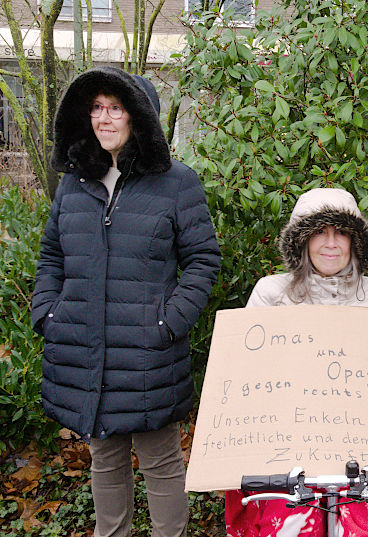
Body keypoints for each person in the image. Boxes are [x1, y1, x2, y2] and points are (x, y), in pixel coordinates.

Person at [32, 67, 221, 537]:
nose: (104, 117)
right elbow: (51, 255)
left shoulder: (177, 183)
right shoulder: (74, 185)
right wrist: (48, 312)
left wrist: (169, 323)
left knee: (160, 463)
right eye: (96, 107)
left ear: (139, 117)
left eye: (115, 107)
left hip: (147, 353)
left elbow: (202, 260)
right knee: (105, 460)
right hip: (85, 350)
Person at [224, 187, 368, 537]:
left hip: (363, 456)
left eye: (341, 232)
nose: (331, 243)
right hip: (285, 453)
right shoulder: (270, 294)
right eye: (320, 232)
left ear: (356, 241)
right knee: (289, 528)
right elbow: (244, 379)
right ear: (302, 241)